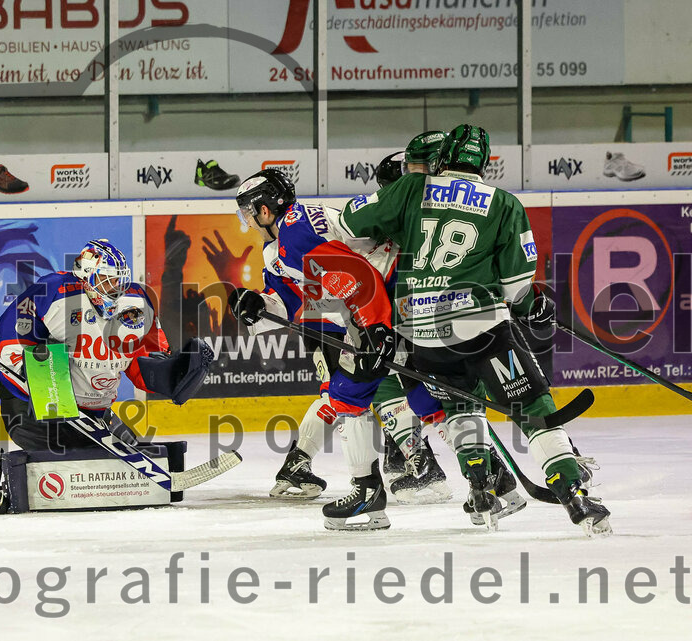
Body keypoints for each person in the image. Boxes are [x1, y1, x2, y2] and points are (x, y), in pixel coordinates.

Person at [340, 124, 611, 536]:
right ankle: (573, 493)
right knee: (533, 408)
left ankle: (481, 491)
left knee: (461, 407)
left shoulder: (413, 188)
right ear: (486, 164)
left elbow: (348, 221)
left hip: (422, 337)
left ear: (443, 158)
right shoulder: (503, 203)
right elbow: (517, 288)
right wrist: (534, 307)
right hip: (479, 328)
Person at [227, 169, 451, 530]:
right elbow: (291, 301)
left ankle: (370, 490)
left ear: (265, 210)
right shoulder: (279, 246)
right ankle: (490, 475)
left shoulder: (296, 227)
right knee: (417, 396)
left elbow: (356, 273)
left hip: (390, 299)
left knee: (352, 394)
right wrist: (257, 306)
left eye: (249, 213)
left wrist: (373, 325)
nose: (249, 221)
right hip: (381, 305)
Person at [0, 239, 213, 512]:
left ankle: (96, 433)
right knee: (59, 448)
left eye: (119, 282)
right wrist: (36, 377)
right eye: (106, 281)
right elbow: (13, 338)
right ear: (85, 276)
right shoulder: (52, 293)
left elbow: (143, 360)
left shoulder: (137, 303)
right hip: (33, 407)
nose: (114, 290)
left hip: (96, 414)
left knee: (112, 458)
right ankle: (22, 481)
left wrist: (173, 374)